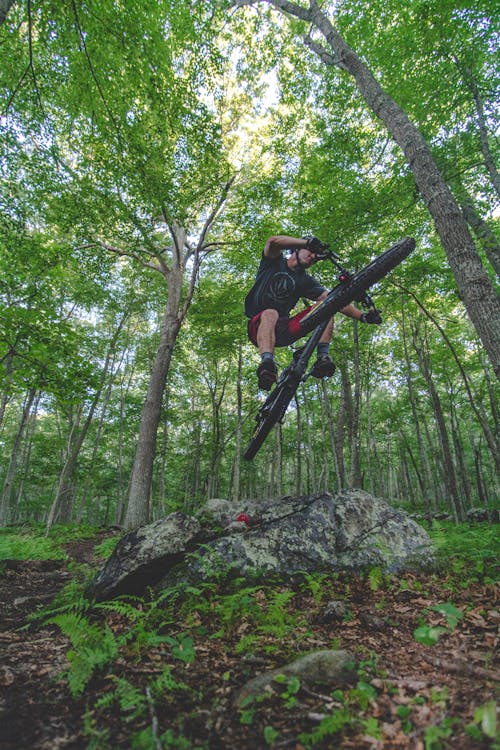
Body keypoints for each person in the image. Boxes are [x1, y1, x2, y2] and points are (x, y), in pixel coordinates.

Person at [245, 234, 382, 390]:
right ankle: (267, 363)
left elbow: (335, 299)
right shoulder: (274, 262)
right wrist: (308, 242)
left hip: (284, 330)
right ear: (296, 249)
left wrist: (363, 316)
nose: (312, 257)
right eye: (309, 252)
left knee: (326, 305)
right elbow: (273, 241)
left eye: (316, 258)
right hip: (258, 326)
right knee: (271, 312)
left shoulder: (304, 280)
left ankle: (322, 357)